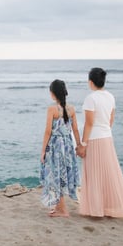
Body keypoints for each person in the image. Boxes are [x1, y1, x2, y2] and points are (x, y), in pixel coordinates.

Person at [77, 67, 123, 218]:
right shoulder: (110, 96)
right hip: (107, 138)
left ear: (90, 82)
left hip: (94, 140)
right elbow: (111, 120)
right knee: (108, 173)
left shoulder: (91, 98)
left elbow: (89, 123)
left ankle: (96, 210)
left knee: (94, 173)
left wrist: (83, 144)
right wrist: (105, 131)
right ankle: (109, 207)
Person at [40, 79, 81, 217]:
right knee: (63, 175)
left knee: (56, 174)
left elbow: (47, 131)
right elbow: (75, 130)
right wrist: (79, 145)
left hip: (56, 146)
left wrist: (43, 150)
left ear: (53, 93)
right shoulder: (71, 109)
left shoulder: (52, 109)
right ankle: (59, 207)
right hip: (68, 145)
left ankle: (63, 210)